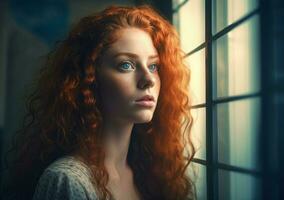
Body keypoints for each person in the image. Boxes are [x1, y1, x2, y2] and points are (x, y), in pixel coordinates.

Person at [2, 5, 196, 200]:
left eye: (153, 66)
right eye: (126, 65)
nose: (149, 79)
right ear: (89, 78)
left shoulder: (152, 174)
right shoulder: (67, 180)